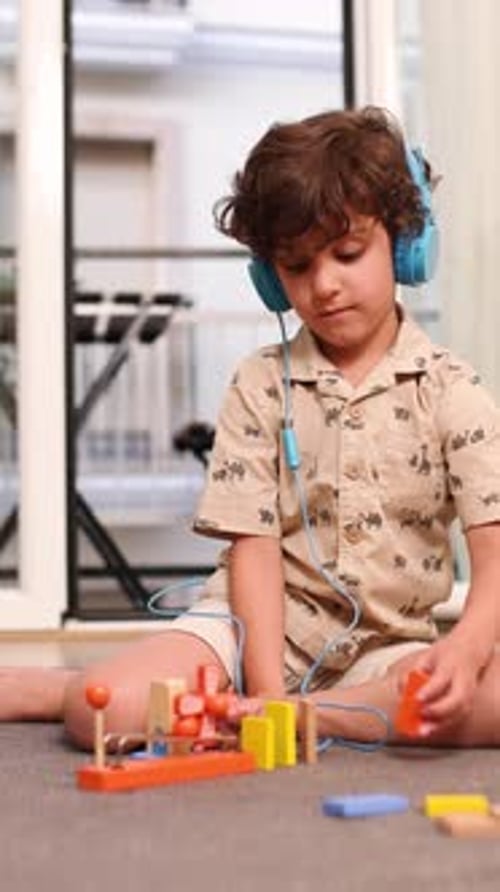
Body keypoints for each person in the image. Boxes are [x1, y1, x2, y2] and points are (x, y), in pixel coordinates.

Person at [3, 106, 500, 750]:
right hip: (245, 634)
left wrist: (465, 646)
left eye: (348, 253)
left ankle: (320, 713)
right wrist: (266, 694)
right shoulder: (260, 383)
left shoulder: (453, 389)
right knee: (108, 710)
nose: (324, 285)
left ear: (404, 244)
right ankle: (58, 689)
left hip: (384, 654)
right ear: (270, 278)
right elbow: (254, 549)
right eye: (296, 267)